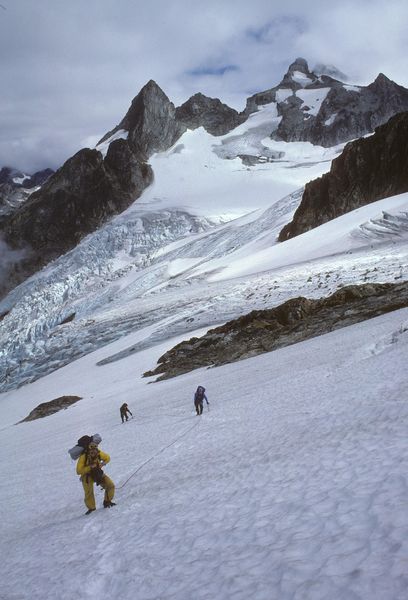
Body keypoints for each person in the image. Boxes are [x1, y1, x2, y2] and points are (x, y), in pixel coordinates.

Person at [76, 440, 116, 514]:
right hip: (86, 477)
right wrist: (90, 467)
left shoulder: (99, 453)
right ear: (89, 448)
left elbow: (108, 458)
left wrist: (102, 464)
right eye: (91, 448)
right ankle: (91, 508)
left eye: (95, 448)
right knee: (89, 493)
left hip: (97, 473)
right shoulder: (83, 457)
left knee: (110, 485)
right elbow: (78, 471)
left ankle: (107, 501)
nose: (93, 450)